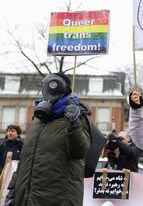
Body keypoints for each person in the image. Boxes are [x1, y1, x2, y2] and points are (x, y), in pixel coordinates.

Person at [8, 72, 91, 206]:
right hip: (25, 199)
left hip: (57, 199)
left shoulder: (77, 116)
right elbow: (26, 158)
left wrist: (74, 123)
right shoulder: (38, 119)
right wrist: (13, 188)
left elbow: (80, 151)